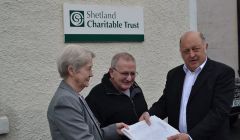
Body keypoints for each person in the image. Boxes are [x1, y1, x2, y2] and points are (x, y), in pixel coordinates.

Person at [140, 31, 235, 140]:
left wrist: (191, 136)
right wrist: (149, 115)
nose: (191, 55)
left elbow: (219, 112)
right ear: (180, 52)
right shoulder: (173, 74)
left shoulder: (223, 73)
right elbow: (165, 103)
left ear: (205, 47)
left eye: (195, 49)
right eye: (186, 51)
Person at [47, 45, 128, 140]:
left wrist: (114, 130)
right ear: (72, 70)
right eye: (88, 69)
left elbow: (92, 134)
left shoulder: (72, 96)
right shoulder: (65, 101)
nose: (91, 74)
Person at [86, 52, 148, 140]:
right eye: (125, 73)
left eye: (133, 73)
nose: (129, 78)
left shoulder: (136, 89)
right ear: (111, 72)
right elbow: (91, 132)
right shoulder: (96, 95)